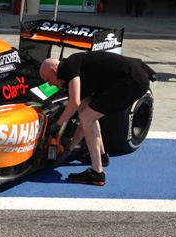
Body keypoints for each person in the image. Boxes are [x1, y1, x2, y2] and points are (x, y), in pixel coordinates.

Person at [39, 52, 155, 186]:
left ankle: (96, 173)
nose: (51, 85)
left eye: (48, 80)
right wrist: (69, 150)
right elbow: (83, 113)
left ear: (54, 71)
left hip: (132, 80)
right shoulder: (81, 74)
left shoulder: (70, 65)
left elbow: (74, 103)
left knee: (87, 117)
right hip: (135, 77)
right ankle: (102, 156)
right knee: (89, 115)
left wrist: (58, 125)